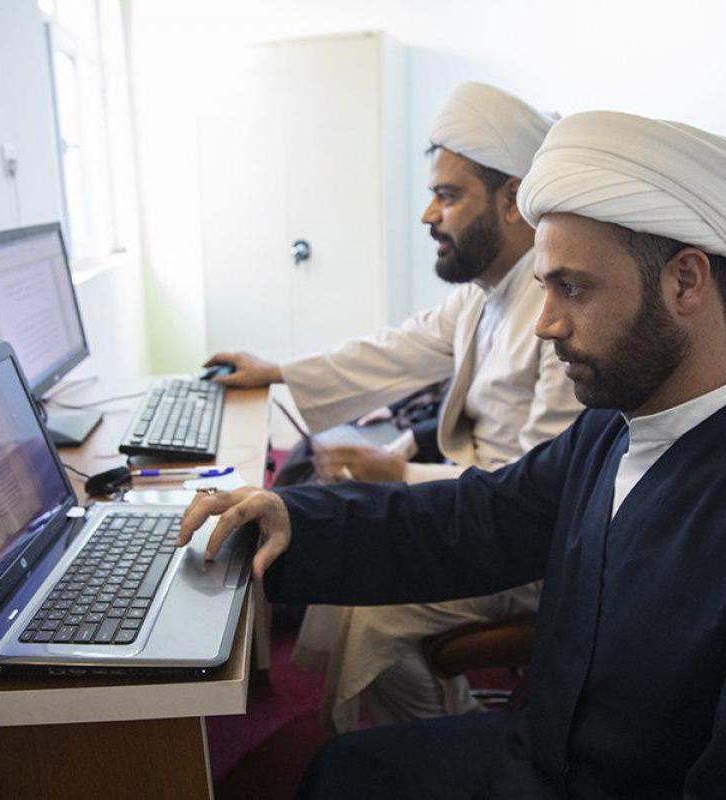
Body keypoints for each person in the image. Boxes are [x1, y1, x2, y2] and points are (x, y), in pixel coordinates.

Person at [179, 110, 726, 797]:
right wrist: (294, 517)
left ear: (685, 281)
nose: (547, 323)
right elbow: (476, 519)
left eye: (573, 289)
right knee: (342, 773)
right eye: (544, 287)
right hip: (544, 754)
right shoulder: (617, 424)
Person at [206, 82, 583, 733]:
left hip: (525, 544)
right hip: (472, 505)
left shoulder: (558, 314)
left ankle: (444, 740)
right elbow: (394, 349)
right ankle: (438, 722)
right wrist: (279, 371)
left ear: (512, 200)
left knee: (372, 608)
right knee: (350, 545)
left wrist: (400, 473)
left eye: (448, 196)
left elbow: (540, 495)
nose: (428, 215)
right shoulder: (488, 293)